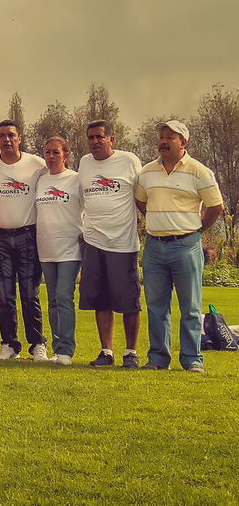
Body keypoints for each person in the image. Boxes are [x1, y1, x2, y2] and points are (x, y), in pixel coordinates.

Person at [135, 120, 224, 373]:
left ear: (183, 142)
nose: (163, 142)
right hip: (154, 247)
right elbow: (141, 201)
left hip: (186, 246)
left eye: (170, 138)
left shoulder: (199, 171)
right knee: (156, 306)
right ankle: (157, 359)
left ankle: (192, 359)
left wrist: (195, 229)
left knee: (190, 307)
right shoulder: (147, 171)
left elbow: (216, 206)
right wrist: (158, 220)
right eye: (161, 137)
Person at [0, 119, 48, 361]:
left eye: (11, 135)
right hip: (0, 237)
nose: (7, 139)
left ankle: (37, 344)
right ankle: (9, 344)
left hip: (27, 236)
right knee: (5, 296)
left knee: (30, 294)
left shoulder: (36, 164)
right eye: (2, 136)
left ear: (19, 138)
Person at [78, 120, 143, 368]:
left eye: (100, 137)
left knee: (129, 301)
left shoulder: (129, 161)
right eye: (91, 137)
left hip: (122, 244)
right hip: (93, 242)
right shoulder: (84, 163)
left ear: (111, 139)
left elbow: (142, 196)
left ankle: (131, 353)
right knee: (101, 299)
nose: (95, 141)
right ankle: (106, 352)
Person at [34, 136, 83, 365]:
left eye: (56, 152)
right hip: (46, 249)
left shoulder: (76, 179)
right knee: (52, 300)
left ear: (66, 154)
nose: (51, 156)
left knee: (64, 297)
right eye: (47, 152)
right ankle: (56, 350)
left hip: (70, 249)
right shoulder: (41, 180)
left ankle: (66, 350)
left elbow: (91, 208)